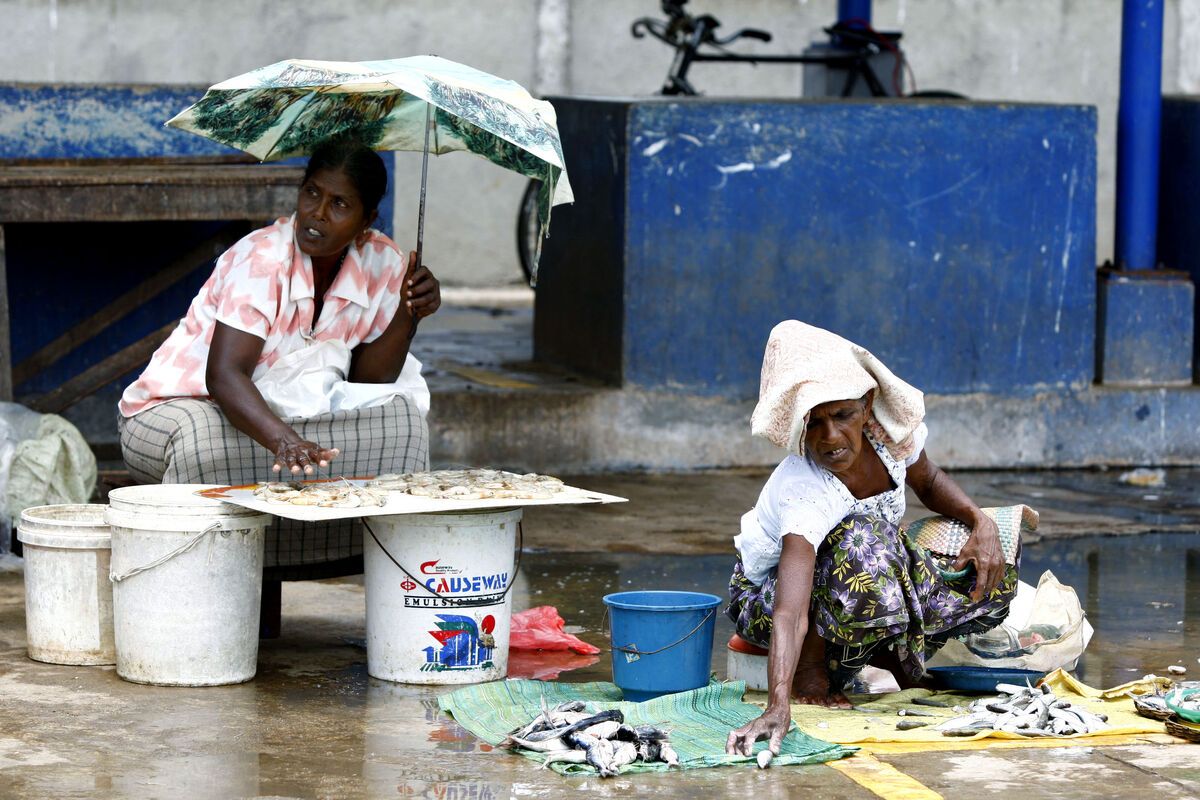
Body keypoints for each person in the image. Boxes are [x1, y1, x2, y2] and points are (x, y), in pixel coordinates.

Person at [118, 135, 441, 582]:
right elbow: (224, 376)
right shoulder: (264, 257)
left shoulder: (384, 262)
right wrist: (285, 441)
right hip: (174, 410)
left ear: (366, 220)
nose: (317, 213)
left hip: (281, 415)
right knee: (204, 440)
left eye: (340, 204)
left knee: (404, 424)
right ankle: (203, 581)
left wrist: (410, 312)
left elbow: (370, 381)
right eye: (312, 193)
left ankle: (348, 561)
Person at [725, 320, 1019, 758]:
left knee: (995, 568)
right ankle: (812, 669)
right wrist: (778, 703)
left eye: (842, 416)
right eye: (815, 422)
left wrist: (982, 523)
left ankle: (891, 657)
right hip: (768, 599)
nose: (830, 437)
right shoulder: (805, 488)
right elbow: (789, 610)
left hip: (861, 576)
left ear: (866, 407)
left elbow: (929, 481)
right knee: (864, 541)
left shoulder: (890, 439)